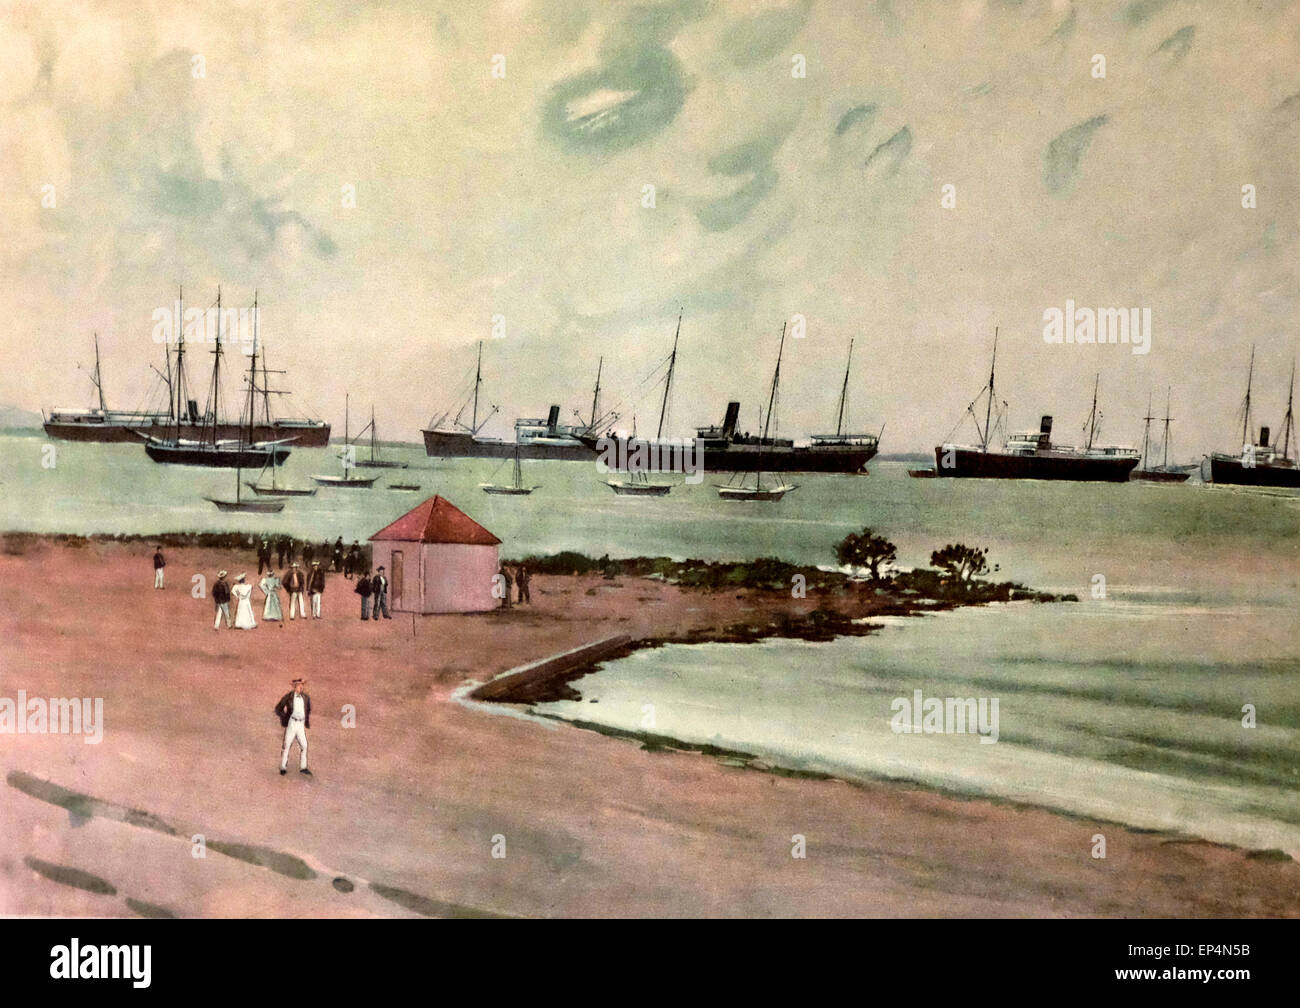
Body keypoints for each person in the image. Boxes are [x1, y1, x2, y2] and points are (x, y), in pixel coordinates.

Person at [274, 677, 312, 776]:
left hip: (300, 724)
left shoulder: (306, 698)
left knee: (304, 745)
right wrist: (285, 717)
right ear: (295, 687)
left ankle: (303, 767)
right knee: (287, 745)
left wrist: (306, 721)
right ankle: (283, 767)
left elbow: (308, 709)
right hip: (292, 723)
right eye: (299, 686)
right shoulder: (288, 697)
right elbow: (278, 708)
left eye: (302, 685)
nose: (301, 687)